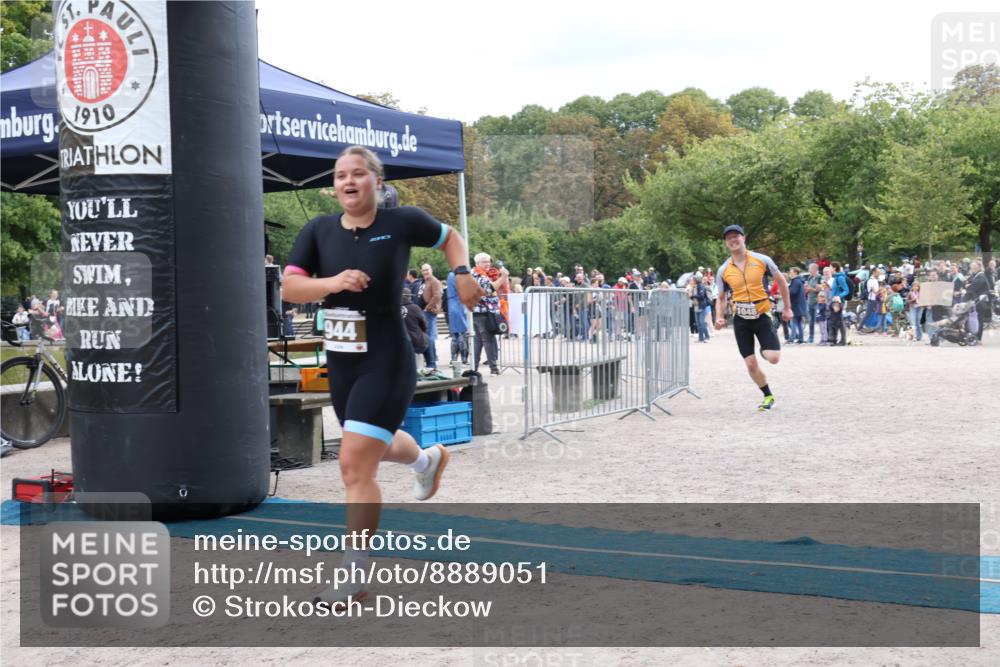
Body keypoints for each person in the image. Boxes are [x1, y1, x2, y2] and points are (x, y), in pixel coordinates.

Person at [281, 146, 483, 609]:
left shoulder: (403, 221)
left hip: (387, 359)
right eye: (340, 176)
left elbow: (451, 237)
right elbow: (291, 287)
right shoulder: (318, 230)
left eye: (358, 174)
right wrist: (333, 283)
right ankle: (426, 461)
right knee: (373, 444)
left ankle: (354, 577)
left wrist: (462, 273)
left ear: (377, 181)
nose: (348, 182)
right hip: (342, 361)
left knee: (353, 463)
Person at [714, 224, 792, 411]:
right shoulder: (723, 270)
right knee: (750, 364)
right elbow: (721, 297)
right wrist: (719, 316)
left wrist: (787, 308)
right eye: (729, 238)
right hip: (741, 319)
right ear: (726, 243)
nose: (733, 240)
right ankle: (768, 396)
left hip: (762, 314)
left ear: (744, 238)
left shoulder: (762, 260)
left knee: (773, 358)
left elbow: (781, 281)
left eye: (736, 236)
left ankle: (765, 346)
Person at [471, 252, 507, 374]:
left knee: (478, 341)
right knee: (488, 340)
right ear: (477, 263)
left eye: (489, 261)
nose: (488, 264)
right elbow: (490, 289)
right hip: (484, 312)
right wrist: (503, 277)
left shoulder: (473, 273)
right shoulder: (480, 276)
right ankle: (493, 369)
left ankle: (474, 368)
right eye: (484, 262)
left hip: (477, 312)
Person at [418, 263, 443, 371]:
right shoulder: (424, 281)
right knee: (426, 337)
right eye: (424, 270)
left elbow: (437, 296)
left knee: (429, 337)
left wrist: (427, 308)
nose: (425, 272)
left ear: (431, 270)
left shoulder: (435, 281)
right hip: (422, 312)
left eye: (427, 270)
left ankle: (431, 363)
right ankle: (430, 362)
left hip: (429, 312)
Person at [446, 270, 470, 365]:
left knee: (455, 336)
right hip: (459, 305)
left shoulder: (451, 275)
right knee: (461, 335)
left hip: (453, 306)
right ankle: (463, 358)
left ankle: (454, 358)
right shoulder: (455, 276)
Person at [787, 266, 807, 344]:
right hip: (800, 305)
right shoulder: (799, 281)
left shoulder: (795, 281)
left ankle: (792, 338)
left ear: (795, 273)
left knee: (793, 322)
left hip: (796, 305)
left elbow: (792, 292)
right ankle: (801, 339)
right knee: (799, 322)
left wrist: (787, 290)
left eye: (791, 272)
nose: (789, 273)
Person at [805, 262, 821, 343]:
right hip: (810, 300)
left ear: (814, 269)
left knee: (820, 319)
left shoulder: (819, 277)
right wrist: (806, 289)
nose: (809, 270)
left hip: (817, 301)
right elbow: (808, 288)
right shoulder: (810, 277)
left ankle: (824, 336)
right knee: (811, 320)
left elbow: (819, 290)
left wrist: (811, 289)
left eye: (810, 268)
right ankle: (811, 337)